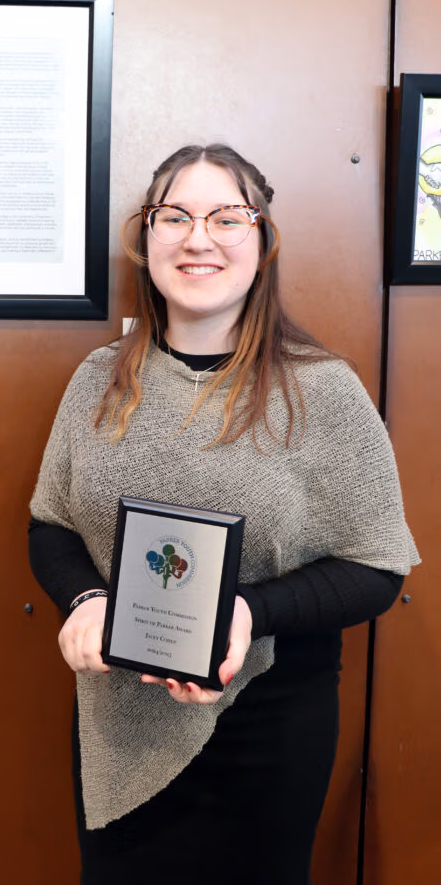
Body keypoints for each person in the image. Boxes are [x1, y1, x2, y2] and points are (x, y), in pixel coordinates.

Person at [29, 144, 419, 885]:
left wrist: (246, 611)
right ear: (146, 240)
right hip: (117, 722)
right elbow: (50, 524)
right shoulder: (97, 380)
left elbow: (375, 566)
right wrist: (83, 599)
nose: (197, 238)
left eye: (225, 217)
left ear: (262, 239)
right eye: (172, 215)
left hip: (266, 727)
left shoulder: (320, 391)